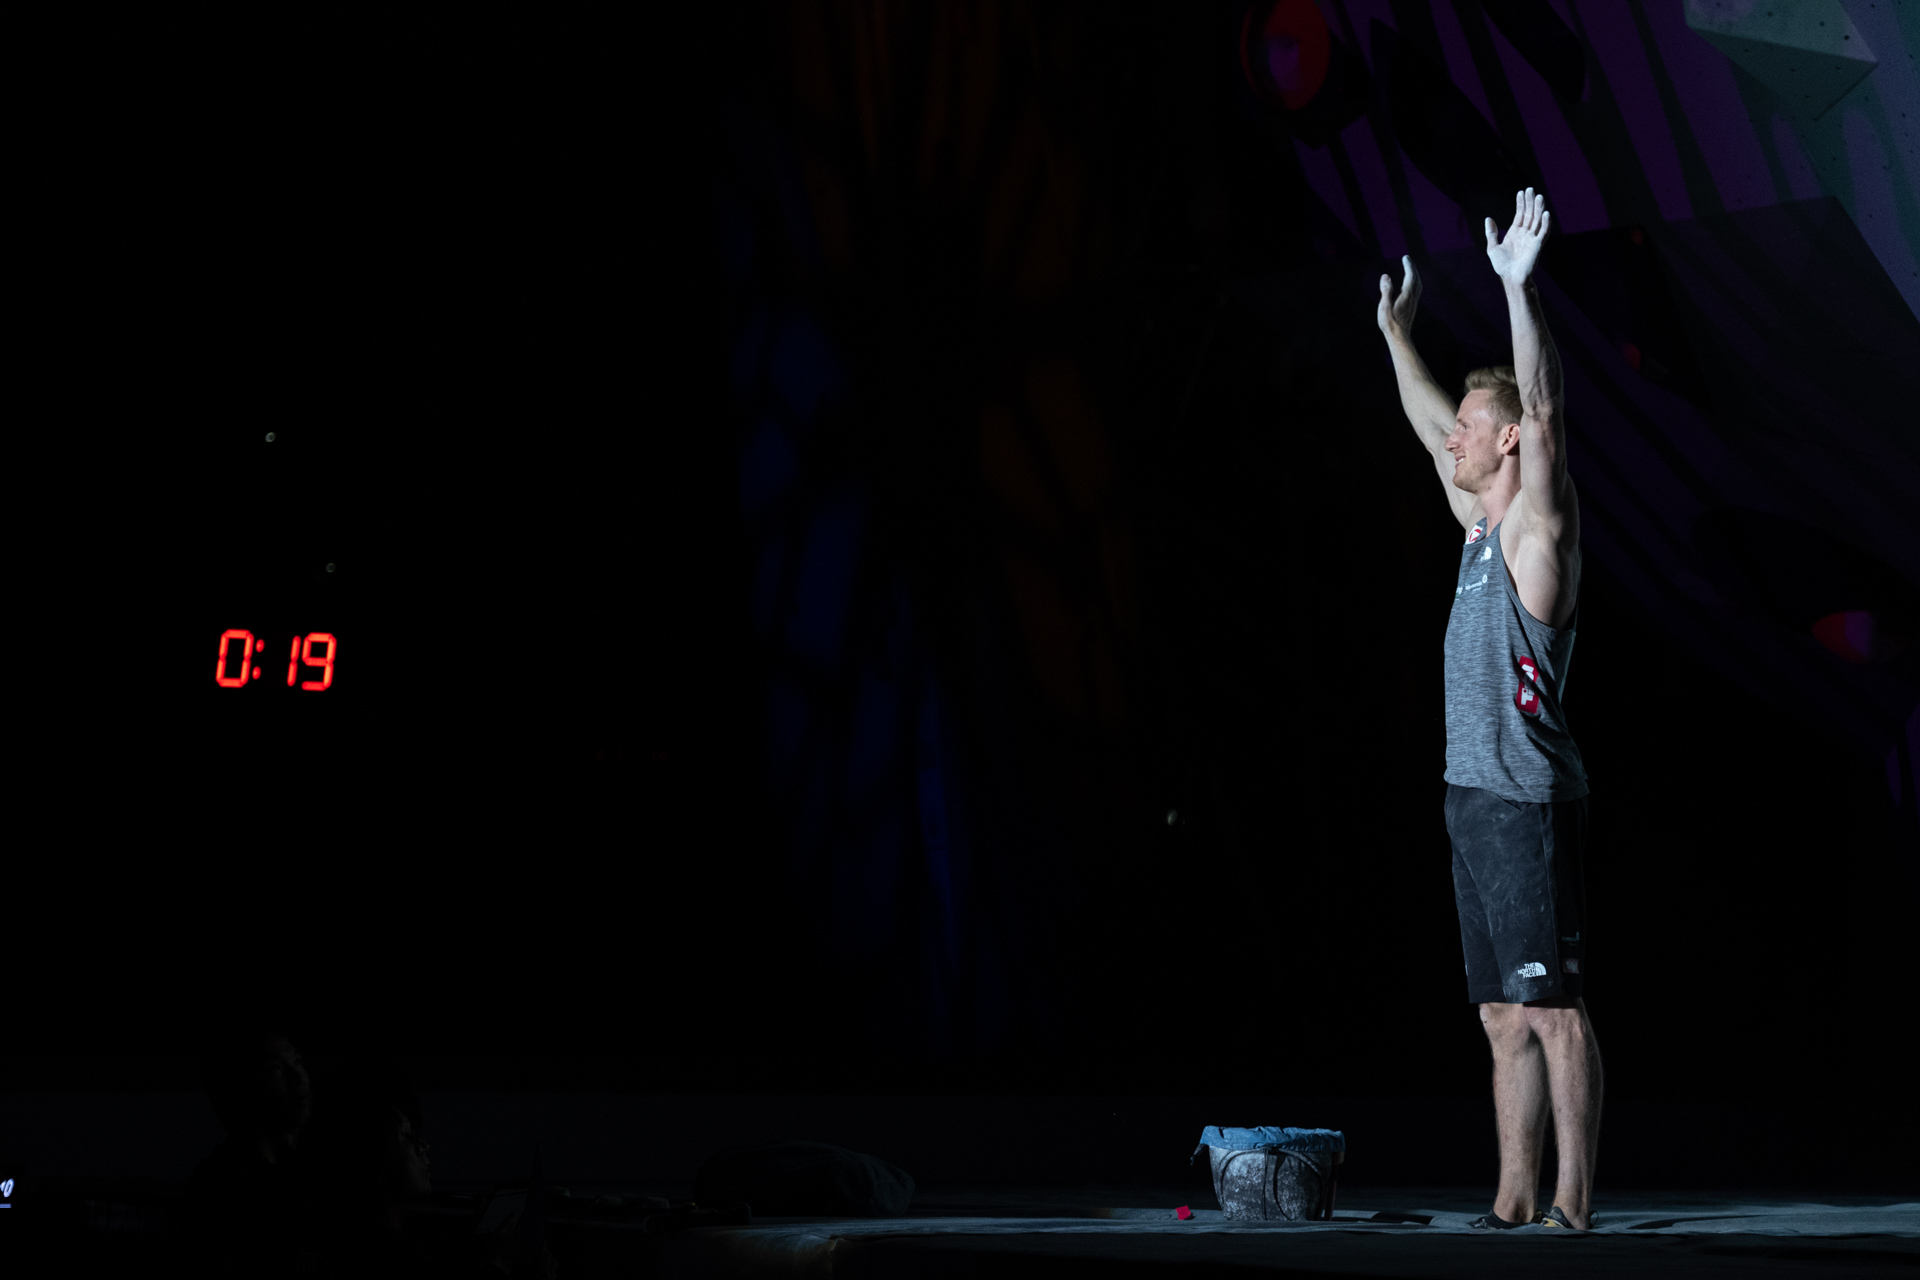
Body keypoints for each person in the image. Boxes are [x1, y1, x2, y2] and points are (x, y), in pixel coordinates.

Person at [1375, 189, 1603, 1231]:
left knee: (1552, 1010)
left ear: (1508, 442)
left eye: (1473, 432)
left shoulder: (1532, 538)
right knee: (1500, 1011)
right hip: (1469, 796)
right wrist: (1394, 334)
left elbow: (1545, 412)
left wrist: (1519, 288)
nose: (1452, 443)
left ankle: (1571, 1201)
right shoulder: (1474, 525)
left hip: (1524, 798)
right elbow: (1431, 424)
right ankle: (1513, 1199)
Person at [298, 1059, 557, 1279]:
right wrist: (497, 1263)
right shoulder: (388, 1257)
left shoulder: (348, 1241)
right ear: (371, 1158)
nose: (424, 1147)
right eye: (408, 1137)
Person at [172, 1019, 324, 1275]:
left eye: (297, 1062)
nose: (298, 1078)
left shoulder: (307, 1172)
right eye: (274, 1068)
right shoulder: (221, 1187)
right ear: (240, 1089)